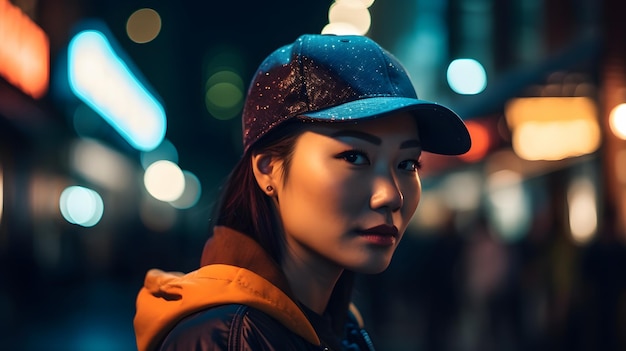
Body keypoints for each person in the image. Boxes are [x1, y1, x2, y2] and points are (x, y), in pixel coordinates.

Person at [133, 33, 471, 351]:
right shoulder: (230, 338)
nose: (391, 195)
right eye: (354, 157)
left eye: (408, 164)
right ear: (268, 168)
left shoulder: (332, 323)